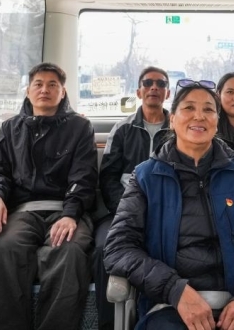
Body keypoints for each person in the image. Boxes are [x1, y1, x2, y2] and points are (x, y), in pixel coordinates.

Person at [104, 80, 234, 330]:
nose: (199, 116)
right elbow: (118, 248)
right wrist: (174, 290)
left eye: (208, 109)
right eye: (189, 108)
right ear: (172, 120)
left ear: (217, 121)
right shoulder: (146, 176)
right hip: (172, 304)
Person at [0, 63, 98, 330]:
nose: (45, 89)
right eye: (38, 84)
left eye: (52, 85)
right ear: (28, 91)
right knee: (2, 251)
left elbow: (84, 178)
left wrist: (70, 214)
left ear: (62, 92)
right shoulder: (10, 128)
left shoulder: (80, 127)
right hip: (23, 212)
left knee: (69, 252)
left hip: (66, 210)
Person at [94, 66, 173, 330]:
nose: (154, 88)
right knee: (104, 248)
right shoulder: (122, 129)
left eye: (160, 84)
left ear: (167, 93)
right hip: (122, 211)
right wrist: (127, 211)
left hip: (166, 211)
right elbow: (108, 178)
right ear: (139, 91)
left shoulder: (178, 130)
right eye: (148, 83)